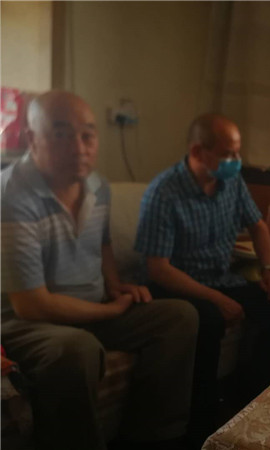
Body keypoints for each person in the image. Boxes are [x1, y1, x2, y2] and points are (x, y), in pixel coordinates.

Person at [1, 91, 199, 450]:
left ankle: (153, 438)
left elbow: (102, 245)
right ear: (32, 138)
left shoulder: (98, 186)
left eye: (88, 135)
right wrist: (109, 311)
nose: (79, 147)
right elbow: (31, 305)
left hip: (90, 306)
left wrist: (115, 285)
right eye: (61, 134)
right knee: (76, 349)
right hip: (24, 321)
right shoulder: (12, 196)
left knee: (179, 317)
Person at [134, 113, 270, 441]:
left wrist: (268, 270)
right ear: (198, 152)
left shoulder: (231, 182)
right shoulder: (164, 193)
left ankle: (252, 398)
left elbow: (258, 226)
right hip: (175, 286)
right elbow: (158, 269)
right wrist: (217, 299)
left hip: (221, 279)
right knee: (208, 320)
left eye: (237, 152)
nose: (236, 161)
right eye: (228, 154)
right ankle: (202, 427)